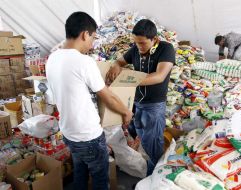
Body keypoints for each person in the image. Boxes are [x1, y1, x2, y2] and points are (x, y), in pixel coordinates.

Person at [46, 12, 132, 190]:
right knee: (100, 180)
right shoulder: (84, 62)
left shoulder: (52, 58)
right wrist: (126, 112)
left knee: (80, 172)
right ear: (85, 34)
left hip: (69, 132)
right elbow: (108, 97)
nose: (92, 43)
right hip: (88, 135)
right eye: (92, 37)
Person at [106, 19, 175, 176]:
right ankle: (148, 173)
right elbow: (120, 61)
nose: (139, 47)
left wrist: (127, 79)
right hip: (137, 102)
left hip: (154, 105)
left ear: (154, 39)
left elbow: (159, 76)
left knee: (154, 143)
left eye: (142, 43)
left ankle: (154, 178)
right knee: (141, 137)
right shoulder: (136, 49)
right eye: (136, 43)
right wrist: (116, 66)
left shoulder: (166, 49)